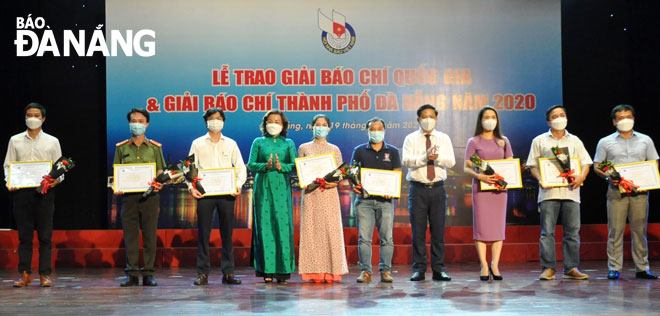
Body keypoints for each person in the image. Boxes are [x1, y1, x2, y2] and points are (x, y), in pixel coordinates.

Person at [593, 104, 659, 280]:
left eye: (628, 117)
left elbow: (654, 163)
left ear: (634, 119)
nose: (625, 120)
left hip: (640, 192)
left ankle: (642, 268)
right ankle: (614, 267)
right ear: (614, 122)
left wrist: (649, 179)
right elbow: (598, 165)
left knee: (639, 230)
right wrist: (607, 177)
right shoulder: (605, 141)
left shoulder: (646, 140)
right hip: (616, 192)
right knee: (615, 230)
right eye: (621, 118)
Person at [526, 105, 592, 280]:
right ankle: (548, 268)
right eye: (555, 116)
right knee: (547, 232)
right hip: (549, 193)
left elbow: (586, 163)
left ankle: (571, 268)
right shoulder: (539, 140)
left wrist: (581, 177)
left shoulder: (575, 140)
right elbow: (532, 165)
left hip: (571, 192)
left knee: (572, 233)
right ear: (549, 121)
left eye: (562, 115)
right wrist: (541, 179)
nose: (559, 118)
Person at [4, 103, 62, 287]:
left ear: (43, 118)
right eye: (29, 115)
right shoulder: (15, 140)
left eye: (36, 115)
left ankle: (44, 275)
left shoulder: (52, 141)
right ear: (25, 117)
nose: (32, 118)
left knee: (45, 236)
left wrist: (57, 180)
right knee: (24, 236)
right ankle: (25, 274)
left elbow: (60, 167)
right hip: (22, 193)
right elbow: (8, 165)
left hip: (45, 193)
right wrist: (9, 180)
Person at [188, 109, 246, 285]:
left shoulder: (231, 143)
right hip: (205, 193)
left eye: (219, 119)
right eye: (212, 119)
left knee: (227, 233)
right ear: (206, 122)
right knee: (203, 234)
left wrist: (238, 185)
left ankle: (228, 272)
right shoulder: (197, 143)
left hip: (227, 193)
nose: (215, 121)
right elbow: (189, 168)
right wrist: (191, 187)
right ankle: (202, 273)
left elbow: (241, 167)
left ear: (224, 121)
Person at [402, 104, 455, 282]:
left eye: (431, 116)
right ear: (418, 120)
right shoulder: (410, 139)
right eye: (424, 116)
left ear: (436, 119)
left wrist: (436, 157)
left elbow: (451, 161)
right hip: (417, 190)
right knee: (418, 232)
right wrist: (424, 158)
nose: (428, 119)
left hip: (438, 189)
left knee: (438, 232)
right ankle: (419, 269)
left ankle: (439, 269)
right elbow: (406, 161)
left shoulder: (443, 138)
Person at [113, 108, 165, 286]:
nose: (137, 124)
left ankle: (149, 273)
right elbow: (116, 173)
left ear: (147, 124)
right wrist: (116, 186)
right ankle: (132, 274)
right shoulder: (121, 148)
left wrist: (159, 182)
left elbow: (160, 171)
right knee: (131, 237)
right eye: (134, 121)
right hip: (128, 198)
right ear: (129, 124)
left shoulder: (155, 148)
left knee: (150, 236)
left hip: (150, 198)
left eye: (141, 121)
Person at [463, 106, 512, 281]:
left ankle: (495, 265)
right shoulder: (473, 141)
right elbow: (466, 167)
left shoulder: (504, 141)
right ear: (480, 120)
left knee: (498, 228)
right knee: (482, 228)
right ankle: (484, 265)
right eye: (486, 117)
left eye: (493, 117)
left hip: (499, 190)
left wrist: (506, 180)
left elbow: (510, 163)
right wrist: (480, 176)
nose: (490, 120)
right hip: (481, 189)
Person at [298, 114, 349, 283]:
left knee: (330, 232)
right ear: (311, 127)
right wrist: (305, 181)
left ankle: (332, 272)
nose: (321, 127)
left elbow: (341, 173)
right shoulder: (304, 147)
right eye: (317, 125)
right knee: (312, 232)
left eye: (324, 124)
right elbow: (301, 170)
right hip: (312, 195)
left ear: (329, 128)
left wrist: (333, 184)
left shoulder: (334, 149)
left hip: (328, 194)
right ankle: (314, 272)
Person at [247, 109, 297, 284]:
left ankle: (283, 271)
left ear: (283, 125)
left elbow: (295, 165)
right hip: (263, 188)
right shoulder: (258, 142)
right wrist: (266, 166)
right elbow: (251, 164)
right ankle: (266, 270)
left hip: (282, 188)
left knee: (283, 227)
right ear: (265, 124)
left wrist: (281, 165)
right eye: (270, 121)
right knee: (265, 227)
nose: (273, 124)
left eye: (277, 121)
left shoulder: (288, 143)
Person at [351, 117, 401, 283]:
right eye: (372, 129)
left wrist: (392, 191)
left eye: (379, 129)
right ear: (367, 131)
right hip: (364, 201)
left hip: (385, 202)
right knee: (364, 238)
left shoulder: (392, 151)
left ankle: (385, 271)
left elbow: (397, 174)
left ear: (384, 131)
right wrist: (354, 185)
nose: (376, 132)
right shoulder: (359, 150)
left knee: (387, 238)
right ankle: (365, 272)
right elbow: (353, 173)